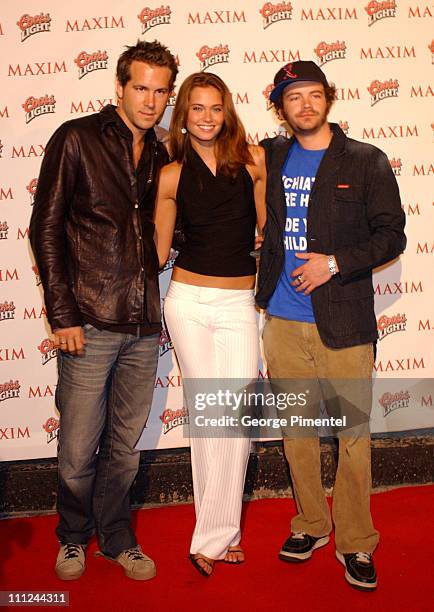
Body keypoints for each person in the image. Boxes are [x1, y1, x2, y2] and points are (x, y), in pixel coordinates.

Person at [29, 40, 178, 581]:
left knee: (124, 447)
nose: (151, 100)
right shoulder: (76, 138)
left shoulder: (165, 153)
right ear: (119, 86)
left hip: (143, 325)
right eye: (141, 87)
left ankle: (116, 538)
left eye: (161, 91)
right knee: (76, 445)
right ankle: (72, 538)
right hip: (87, 320)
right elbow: (44, 228)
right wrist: (62, 313)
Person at [256, 61, 406, 591]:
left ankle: (357, 541)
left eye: (313, 94)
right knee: (297, 435)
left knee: (354, 435)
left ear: (328, 99)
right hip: (281, 321)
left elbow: (392, 236)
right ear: (281, 106)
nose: (305, 104)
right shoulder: (268, 157)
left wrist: (334, 262)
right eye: (293, 97)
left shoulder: (366, 160)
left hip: (344, 321)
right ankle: (312, 525)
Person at [154, 72, 266, 576]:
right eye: (196, 108)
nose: (206, 117)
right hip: (189, 302)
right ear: (183, 115)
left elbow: (265, 232)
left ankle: (221, 531)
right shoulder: (171, 175)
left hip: (239, 302)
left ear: (227, 112)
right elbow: (157, 251)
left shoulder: (253, 162)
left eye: (214, 108)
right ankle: (215, 537)